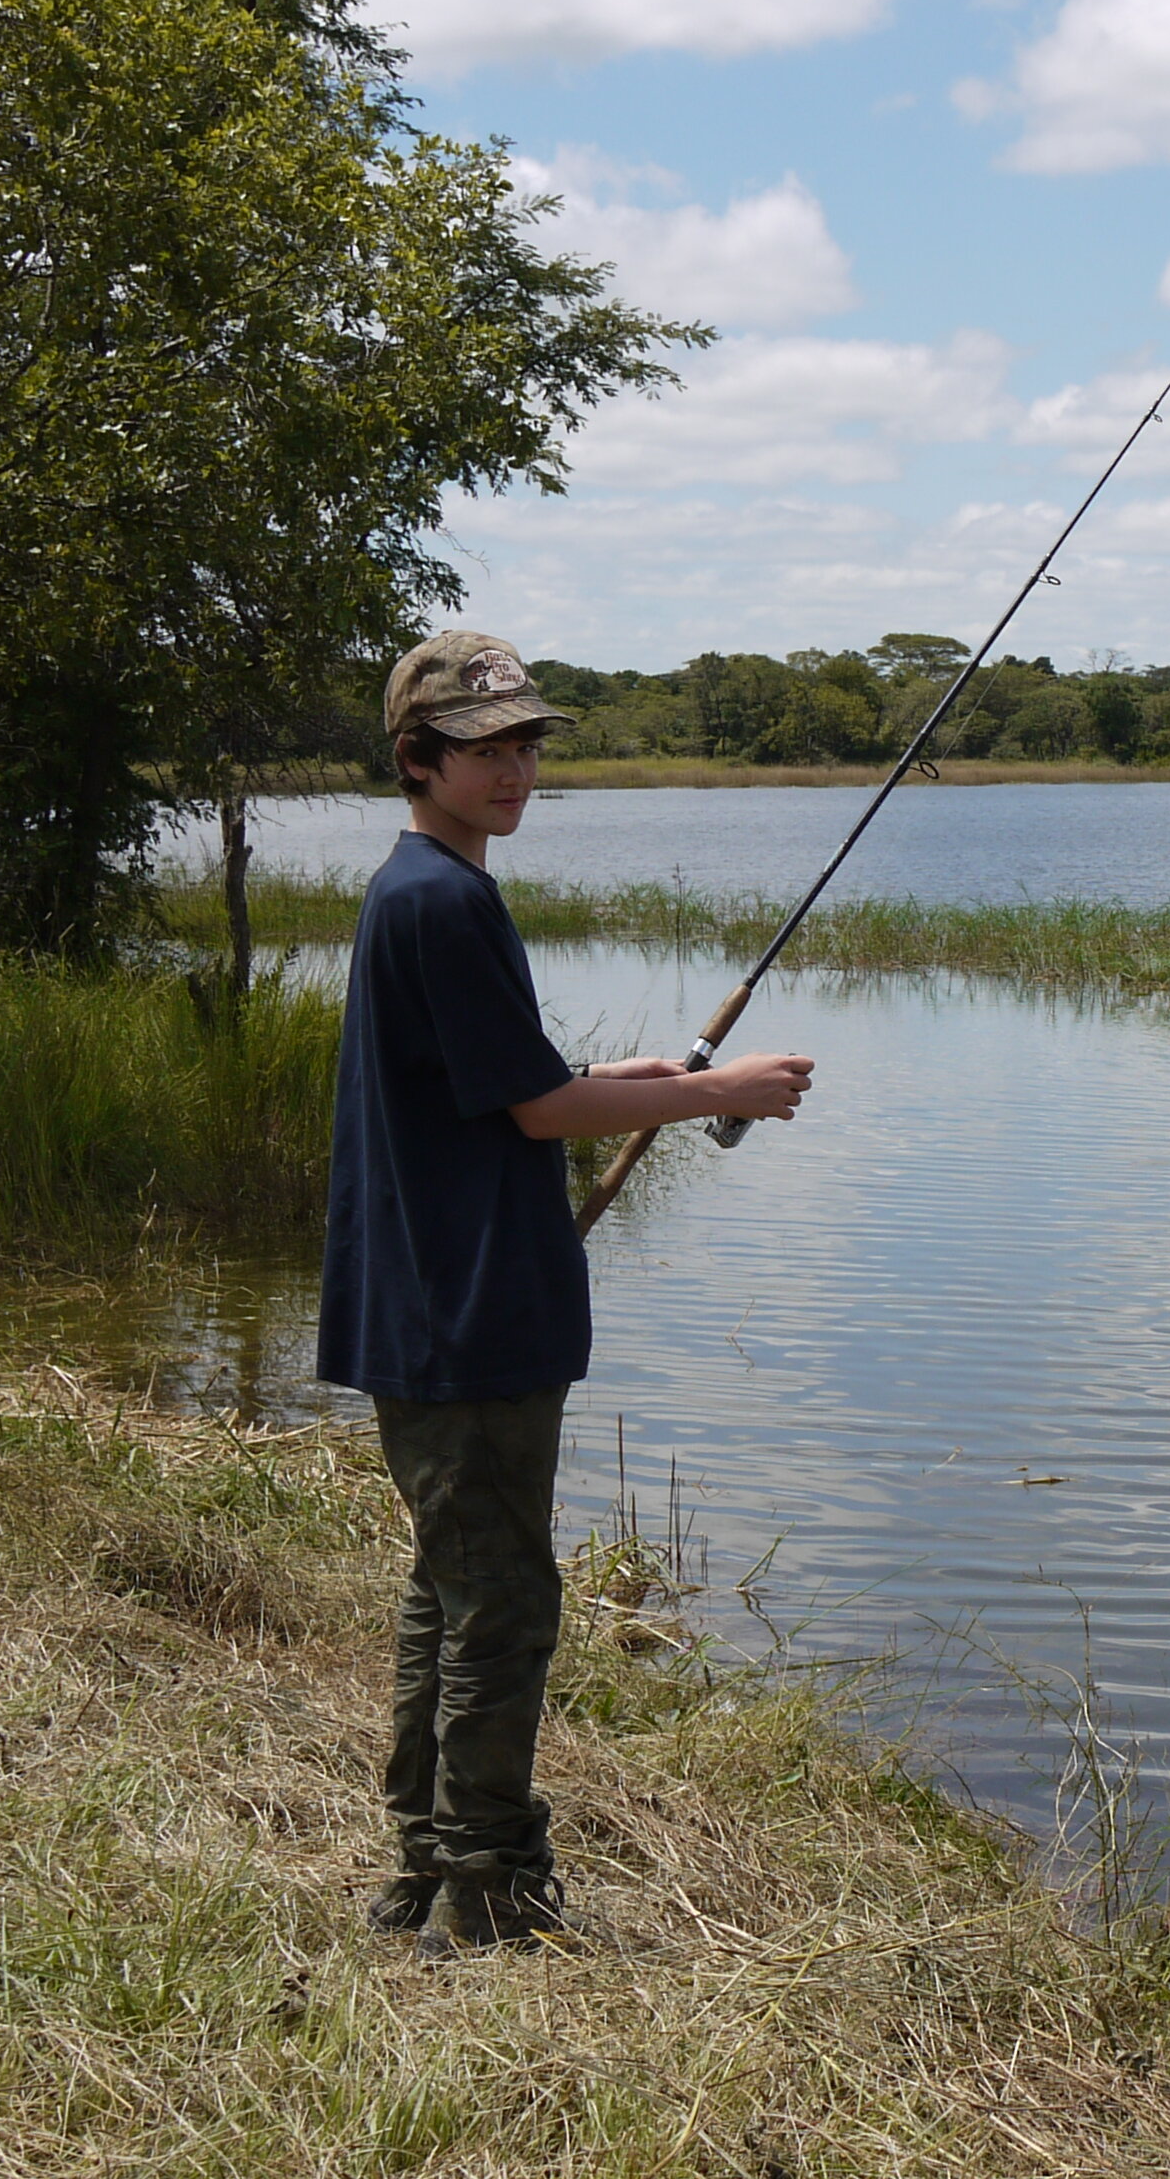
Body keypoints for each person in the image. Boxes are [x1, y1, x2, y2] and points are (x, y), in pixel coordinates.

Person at [320, 630, 813, 1954]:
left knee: (454, 1584)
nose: (515, 768)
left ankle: (428, 1866)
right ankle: (484, 1893)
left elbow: (498, 1089)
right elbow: (539, 1110)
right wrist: (724, 1090)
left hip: (438, 1307)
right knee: (502, 1603)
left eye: (527, 743)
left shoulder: (426, 890)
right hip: (464, 1318)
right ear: (419, 759)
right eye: (484, 748)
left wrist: (654, 1077)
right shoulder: (440, 899)